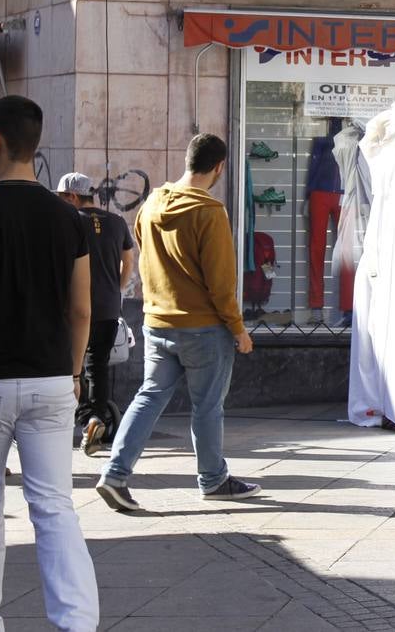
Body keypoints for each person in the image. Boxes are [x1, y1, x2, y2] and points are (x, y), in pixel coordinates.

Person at [0, 95, 99, 631]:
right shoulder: (70, 221)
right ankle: (76, 623)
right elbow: (81, 308)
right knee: (55, 506)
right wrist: (72, 371)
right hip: (50, 380)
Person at [96, 133, 261, 511]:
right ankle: (213, 480)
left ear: (189, 160)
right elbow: (221, 283)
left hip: (156, 322)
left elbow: (140, 247)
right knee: (207, 406)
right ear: (219, 168)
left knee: (149, 397)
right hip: (203, 327)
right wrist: (238, 329)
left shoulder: (153, 202)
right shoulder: (209, 211)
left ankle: (115, 474)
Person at [56, 172, 135, 457]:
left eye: (63, 197)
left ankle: (65, 422)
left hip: (73, 308)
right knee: (97, 365)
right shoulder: (116, 222)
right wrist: (120, 286)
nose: (62, 202)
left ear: (74, 197)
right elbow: (129, 258)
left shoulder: (69, 221)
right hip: (108, 306)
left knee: (69, 366)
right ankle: (95, 419)